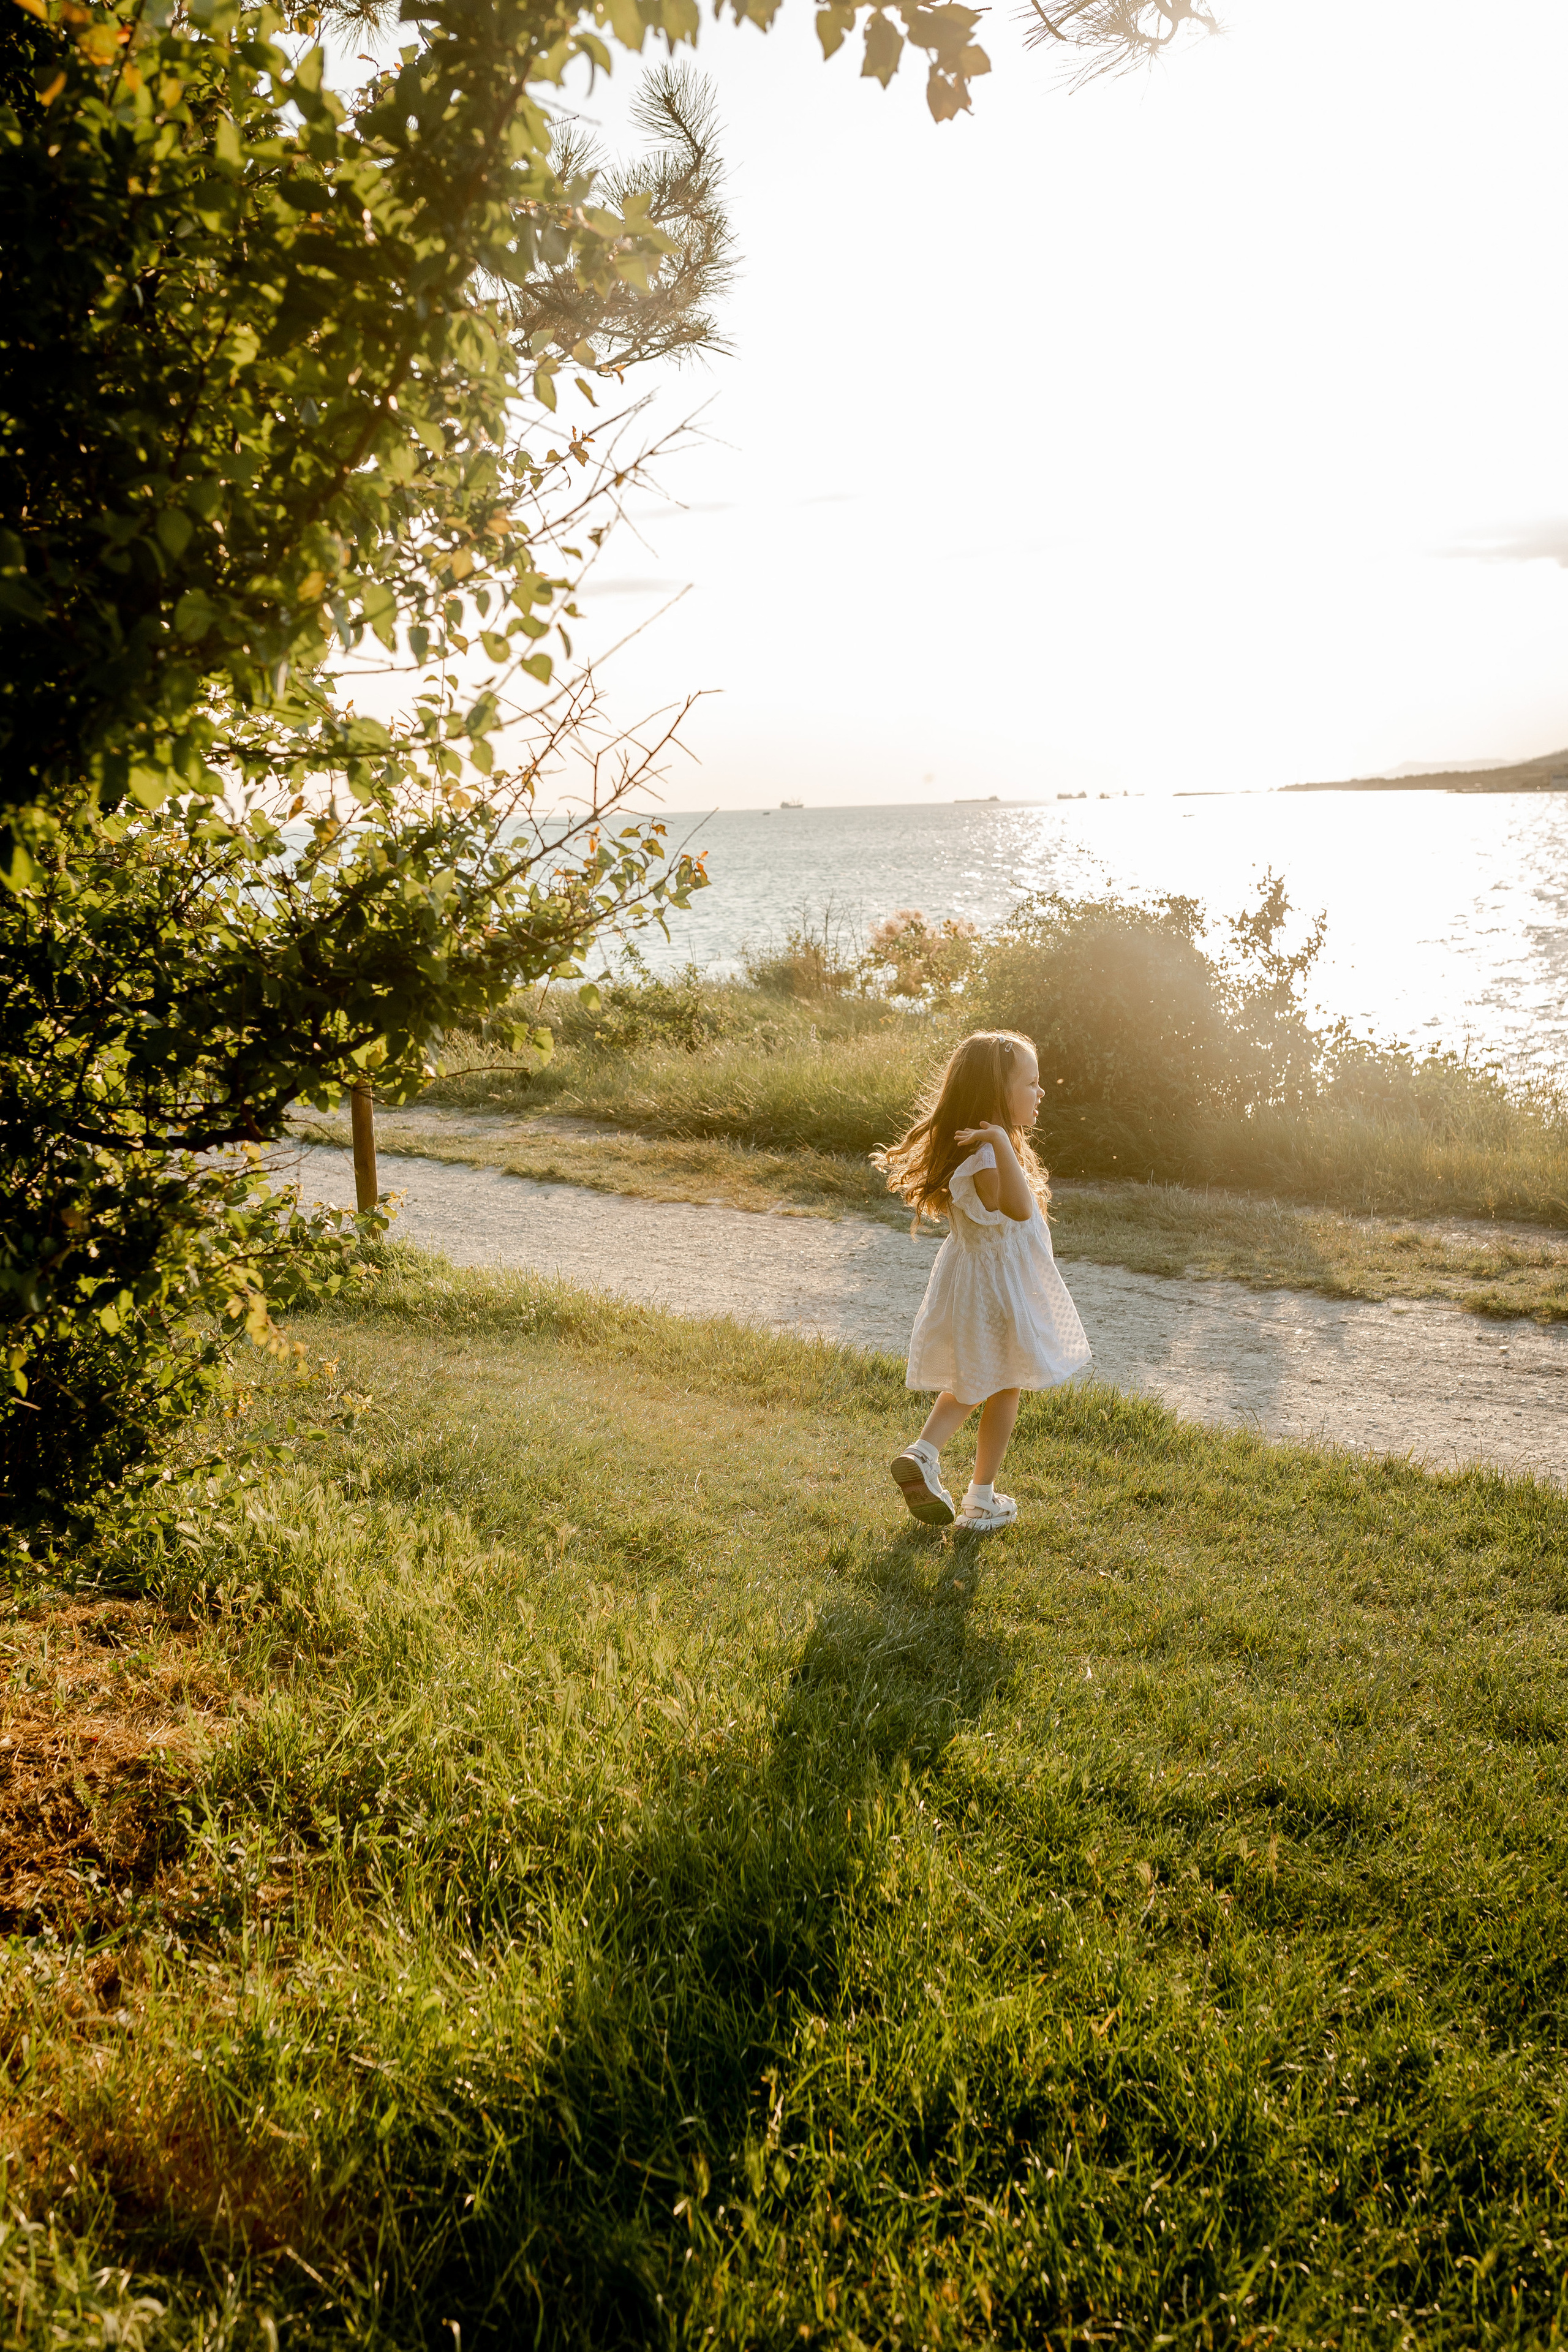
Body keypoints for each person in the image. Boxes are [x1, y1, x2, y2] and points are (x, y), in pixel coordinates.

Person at [875, 1029, 1090, 1533]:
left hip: (974, 1282)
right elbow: (1015, 1208)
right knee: (1005, 1382)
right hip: (999, 1290)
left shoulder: (984, 1149)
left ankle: (923, 1454)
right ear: (998, 1095)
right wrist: (997, 1140)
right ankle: (981, 1498)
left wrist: (999, 1141)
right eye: (1031, 1084)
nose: (1041, 1094)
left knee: (974, 1380)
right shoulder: (990, 1152)